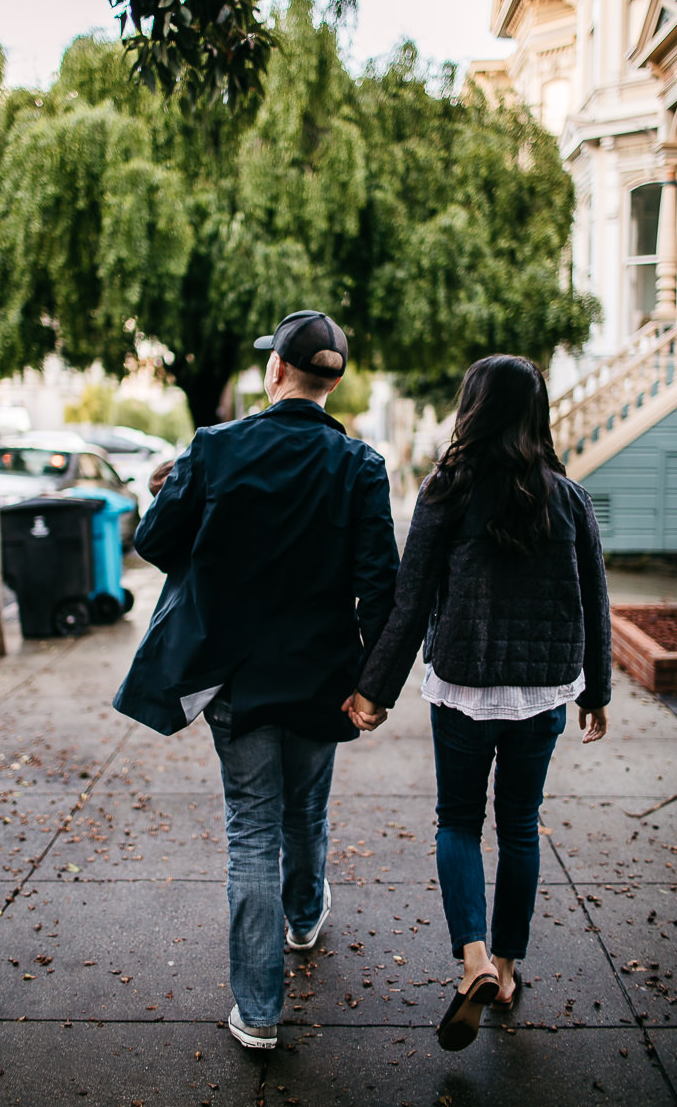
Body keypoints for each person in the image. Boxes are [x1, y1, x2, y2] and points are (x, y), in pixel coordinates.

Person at [114, 310, 398, 1050]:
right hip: (324, 680)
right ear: (333, 383)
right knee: (305, 810)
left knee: (251, 830)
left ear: (276, 372)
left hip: (233, 680)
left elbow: (153, 542)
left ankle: (260, 1011)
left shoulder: (216, 449)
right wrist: (376, 686)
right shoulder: (361, 467)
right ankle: (305, 917)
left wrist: (177, 491)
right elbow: (381, 589)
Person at [345, 354, 611, 1052]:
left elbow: (410, 602)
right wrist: (598, 689)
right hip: (542, 689)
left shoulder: (447, 491)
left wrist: (375, 690)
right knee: (521, 827)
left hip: (462, 688)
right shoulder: (568, 496)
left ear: (473, 409)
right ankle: (510, 969)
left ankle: (473, 961)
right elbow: (595, 600)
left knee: (458, 821)